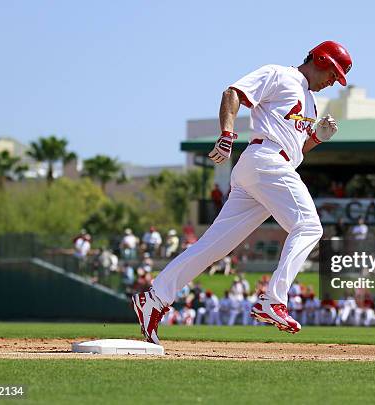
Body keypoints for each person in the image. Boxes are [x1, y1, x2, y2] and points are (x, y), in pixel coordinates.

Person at [132, 40, 352, 344]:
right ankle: (273, 300)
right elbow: (233, 92)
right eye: (333, 73)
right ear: (321, 59)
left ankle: (155, 298)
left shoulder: (312, 103)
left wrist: (316, 137)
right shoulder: (280, 74)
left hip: (269, 167)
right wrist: (227, 133)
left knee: (214, 246)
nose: (333, 81)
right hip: (265, 160)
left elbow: (297, 149)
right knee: (310, 226)